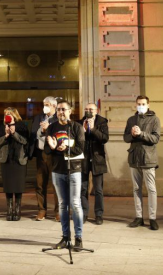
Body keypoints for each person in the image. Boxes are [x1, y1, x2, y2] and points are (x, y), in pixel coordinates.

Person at [45, 100, 86, 250]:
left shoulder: (76, 127)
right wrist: (52, 146)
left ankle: (79, 238)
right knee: (63, 205)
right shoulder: (51, 127)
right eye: (59, 110)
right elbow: (47, 151)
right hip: (57, 170)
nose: (61, 112)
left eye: (64, 109)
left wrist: (66, 147)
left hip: (74, 170)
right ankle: (65, 237)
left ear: (70, 111)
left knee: (75, 204)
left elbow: (81, 148)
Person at [124, 95, 161, 230]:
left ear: (148, 105)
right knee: (136, 189)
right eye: (139, 104)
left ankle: (152, 218)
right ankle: (139, 217)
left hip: (148, 158)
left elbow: (155, 138)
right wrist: (132, 135)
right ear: (136, 105)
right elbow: (126, 137)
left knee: (151, 189)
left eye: (143, 104)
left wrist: (141, 134)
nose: (141, 106)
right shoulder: (131, 119)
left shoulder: (155, 119)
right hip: (134, 158)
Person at [0, 107, 29, 221]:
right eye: (6, 114)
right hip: (6, 159)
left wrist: (14, 133)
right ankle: (9, 210)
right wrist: (6, 135)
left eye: (10, 114)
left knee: (18, 187)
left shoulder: (22, 126)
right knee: (8, 187)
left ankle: (17, 210)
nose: (7, 116)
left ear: (15, 115)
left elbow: (25, 141)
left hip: (19, 159)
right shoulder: (1, 127)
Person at [29, 96, 59, 221]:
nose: (44, 106)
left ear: (53, 106)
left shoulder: (58, 118)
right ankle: (42, 210)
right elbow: (33, 133)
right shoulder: (38, 118)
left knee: (57, 184)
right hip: (41, 154)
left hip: (55, 155)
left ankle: (58, 211)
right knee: (40, 183)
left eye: (46, 104)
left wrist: (49, 129)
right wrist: (41, 130)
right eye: (43, 104)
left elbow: (60, 134)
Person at [79, 103, 109, 225]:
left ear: (96, 111)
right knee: (83, 188)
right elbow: (78, 139)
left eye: (91, 109)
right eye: (86, 109)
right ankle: (84, 213)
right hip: (84, 158)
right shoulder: (80, 122)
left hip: (97, 158)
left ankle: (99, 214)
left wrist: (94, 129)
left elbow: (104, 138)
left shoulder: (102, 122)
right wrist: (84, 130)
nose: (88, 111)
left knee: (98, 189)